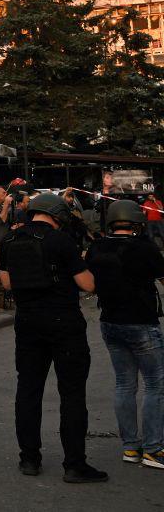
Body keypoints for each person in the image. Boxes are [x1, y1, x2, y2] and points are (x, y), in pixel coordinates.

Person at [0, 192, 107, 483]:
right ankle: (74, 464)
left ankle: (29, 459)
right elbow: (87, 284)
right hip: (63, 322)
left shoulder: (9, 240)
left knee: (28, 390)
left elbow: (6, 282)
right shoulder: (61, 241)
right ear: (57, 216)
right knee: (72, 393)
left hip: (27, 322)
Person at [85, 199, 164, 469]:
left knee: (124, 384)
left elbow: (90, 282)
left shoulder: (97, 247)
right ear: (136, 221)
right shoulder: (144, 247)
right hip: (141, 322)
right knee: (155, 385)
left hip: (110, 322)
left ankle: (130, 447)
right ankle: (153, 448)